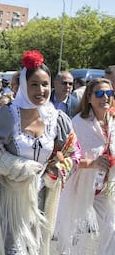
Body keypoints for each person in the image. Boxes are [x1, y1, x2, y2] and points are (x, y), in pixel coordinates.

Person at [0, 50, 81, 254]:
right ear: (24, 86)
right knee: (13, 250)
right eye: (34, 84)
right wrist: (17, 167)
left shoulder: (57, 119)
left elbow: (73, 153)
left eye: (45, 84)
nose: (41, 90)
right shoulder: (7, 116)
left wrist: (55, 172)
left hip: (42, 200)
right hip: (11, 203)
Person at [54, 78, 115, 255]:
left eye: (109, 93)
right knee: (74, 234)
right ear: (88, 98)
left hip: (106, 186)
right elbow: (64, 159)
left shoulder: (112, 122)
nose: (105, 97)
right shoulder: (78, 123)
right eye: (99, 93)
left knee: (112, 228)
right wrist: (92, 163)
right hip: (80, 185)